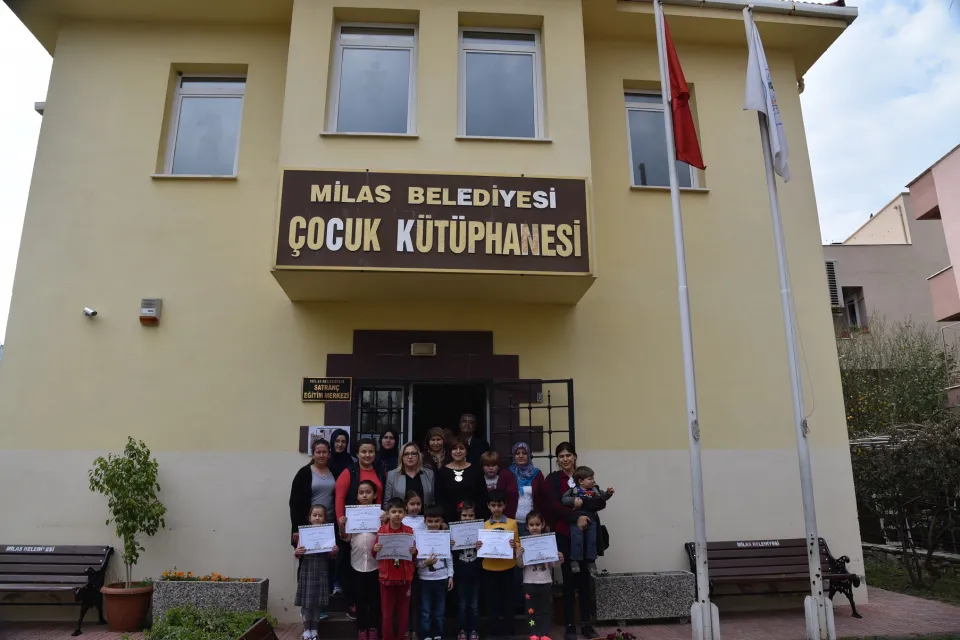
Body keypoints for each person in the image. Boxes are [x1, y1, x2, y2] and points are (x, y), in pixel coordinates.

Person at [544, 443, 604, 640]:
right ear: (557, 459)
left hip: (587, 536)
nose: (565, 459)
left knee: (586, 580)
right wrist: (575, 517)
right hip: (565, 534)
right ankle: (570, 624)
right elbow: (554, 505)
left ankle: (586, 624)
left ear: (575, 457)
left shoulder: (584, 475)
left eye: (568, 455)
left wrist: (583, 505)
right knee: (569, 580)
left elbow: (599, 501)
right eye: (561, 456)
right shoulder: (553, 479)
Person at [336, 438, 386, 614]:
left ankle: (372, 610)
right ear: (357, 454)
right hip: (353, 525)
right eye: (363, 451)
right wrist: (341, 521)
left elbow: (380, 497)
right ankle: (353, 603)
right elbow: (340, 498)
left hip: (375, 524)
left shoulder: (380, 471)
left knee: (373, 565)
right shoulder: (349, 472)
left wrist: (382, 519)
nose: (367, 455)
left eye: (371, 451)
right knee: (352, 565)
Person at [339, 480, 382, 640]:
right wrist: (342, 526)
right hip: (357, 563)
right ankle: (362, 629)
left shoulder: (381, 514)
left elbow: (388, 533)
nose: (364, 495)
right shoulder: (352, 514)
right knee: (360, 599)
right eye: (361, 492)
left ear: (375, 495)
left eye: (368, 492)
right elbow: (345, 538)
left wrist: (386, 521)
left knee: (375, 599)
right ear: (357, 496)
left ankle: (374, 628)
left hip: (376, 564)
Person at [374, 497, 419, 640]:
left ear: (405, 513)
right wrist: (375, 549)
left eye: (400, 512)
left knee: (403, 614)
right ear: (388, 513)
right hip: (387, 577)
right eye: (393, 512)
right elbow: (375, 554)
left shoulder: (409, 531)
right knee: (387, 614)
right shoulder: (382, 531)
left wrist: (414, 551)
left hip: (404, 577)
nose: (397, 515)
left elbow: (413, 555)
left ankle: (401, 637)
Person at [477, 489, 519, 640]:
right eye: (493, 505)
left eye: (499, 505)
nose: (496, 508)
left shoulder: (512, 523)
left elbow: (518, 544)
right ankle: (493, 632)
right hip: (489, 568)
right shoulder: (483, 525)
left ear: (504, 505)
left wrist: (515, 546)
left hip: (508, 568)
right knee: (492, 603)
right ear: (488, 506)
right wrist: (478, 546)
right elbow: (479, 547)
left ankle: (509, 632)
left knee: (508, 602)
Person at [517, 510, 564, 640]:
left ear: (543, 525)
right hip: (529, 583)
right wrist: (519, 555)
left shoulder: (548, 542)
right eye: (531, 525)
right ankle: (533, 633)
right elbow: (521, 565)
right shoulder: (524, 544)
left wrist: (560, 558)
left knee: (545, 610)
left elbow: (554, 564)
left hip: (545, 582)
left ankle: (544, 633)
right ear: (527, 526)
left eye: (537, 524)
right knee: (530, 610)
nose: (534, 527)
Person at [294, 504, 338, 640]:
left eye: (320, 515)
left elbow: (331, 555)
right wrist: (297, 552)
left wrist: (334, 551)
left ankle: (314, 630)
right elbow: (297, 554)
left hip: (321, 569)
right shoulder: (303, 534)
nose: (317, 518)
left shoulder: (328, 533)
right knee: (307, 602)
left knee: (317, 602)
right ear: (309, 518)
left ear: (325, 519)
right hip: (307, 569)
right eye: (314, 515)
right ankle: (306, 630)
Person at [561, 466, 614, 575]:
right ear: (581, 481)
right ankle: (575, 561)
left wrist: (608, 493)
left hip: (591, 519)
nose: (593, 481)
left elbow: (603, 497)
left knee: (592, 540)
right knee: (577, 540)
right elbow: (564, 499)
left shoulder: (595, 489)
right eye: (590, 479)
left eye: (593, 478)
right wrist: (574, 500)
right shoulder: (574, 490)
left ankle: (591, 561)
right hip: (577, 519)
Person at [289, 438, 337, 546]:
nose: (321, 455)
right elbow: (294, 503)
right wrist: (296, 528)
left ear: (329, 454)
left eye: (324, 452)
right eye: (318, 452)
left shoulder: (334, 472)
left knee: (329, 555)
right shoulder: (304, 473)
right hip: (309, 525)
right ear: (313, 454)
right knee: (308, 554)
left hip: (329, 524)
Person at [417, 506, 453, 640]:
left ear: (441, 521)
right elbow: (416, 562)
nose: (433, 524)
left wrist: (450, 576)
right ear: (425, 521)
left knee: (440, 611)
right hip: (425, 579)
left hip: (442, 578)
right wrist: (425, 563)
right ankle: (425, 635)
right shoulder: (420, 538)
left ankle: (438, 634)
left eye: (437, 521)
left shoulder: (444, 537)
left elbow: (449, 558)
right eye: (430, 521)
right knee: (425, 611)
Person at [437, 437, 488, 524]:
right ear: (450, 451)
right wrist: (442, 521)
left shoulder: (475, 470)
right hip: (449, 519)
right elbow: (439, 498)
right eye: (454, 448)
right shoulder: (443, 472)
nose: (458, 451)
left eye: (461, 448)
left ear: (466, 451)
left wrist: (482, 518)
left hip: (473, 518)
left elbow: (482, 496)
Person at [451, 501, 481, 640]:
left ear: (475, 516)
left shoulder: (480, 531)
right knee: (462, 604)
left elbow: (485, 555)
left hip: (475, 573)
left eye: (470, 515)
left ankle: (474, 630)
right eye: (464, 515)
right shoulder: (454, 532)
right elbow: (450, 556)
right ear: (460, 516)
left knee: (474, 605)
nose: (467, 518)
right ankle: (462, 630)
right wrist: (450, 545)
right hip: (460, 573)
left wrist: (481, 546)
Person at [508, 442, 548, 536]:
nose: (521, 456)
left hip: (533, 524)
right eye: (517, 453)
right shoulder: (508, 473)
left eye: (524, 453)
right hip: (512, 522)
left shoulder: (537, 474)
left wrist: (546, 520)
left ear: (529, 455)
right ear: (514, 456)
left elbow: (544, 498)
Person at [384, 442, 436, 507]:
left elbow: (433, 500)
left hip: (424, 513)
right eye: (406, 454)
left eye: (413, 454)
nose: (410, 457)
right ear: (401, 457)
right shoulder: (392, 475)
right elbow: (387, 502)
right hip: (400, 513)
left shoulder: (429, 473)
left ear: (418, 456)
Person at [480, 451, 519, 519]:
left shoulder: (503, 480)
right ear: (482, 467)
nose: (491, 468)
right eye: (487, 465)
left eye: (493, 465)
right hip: (484, 514)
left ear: (498, 467)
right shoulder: (480, 481)